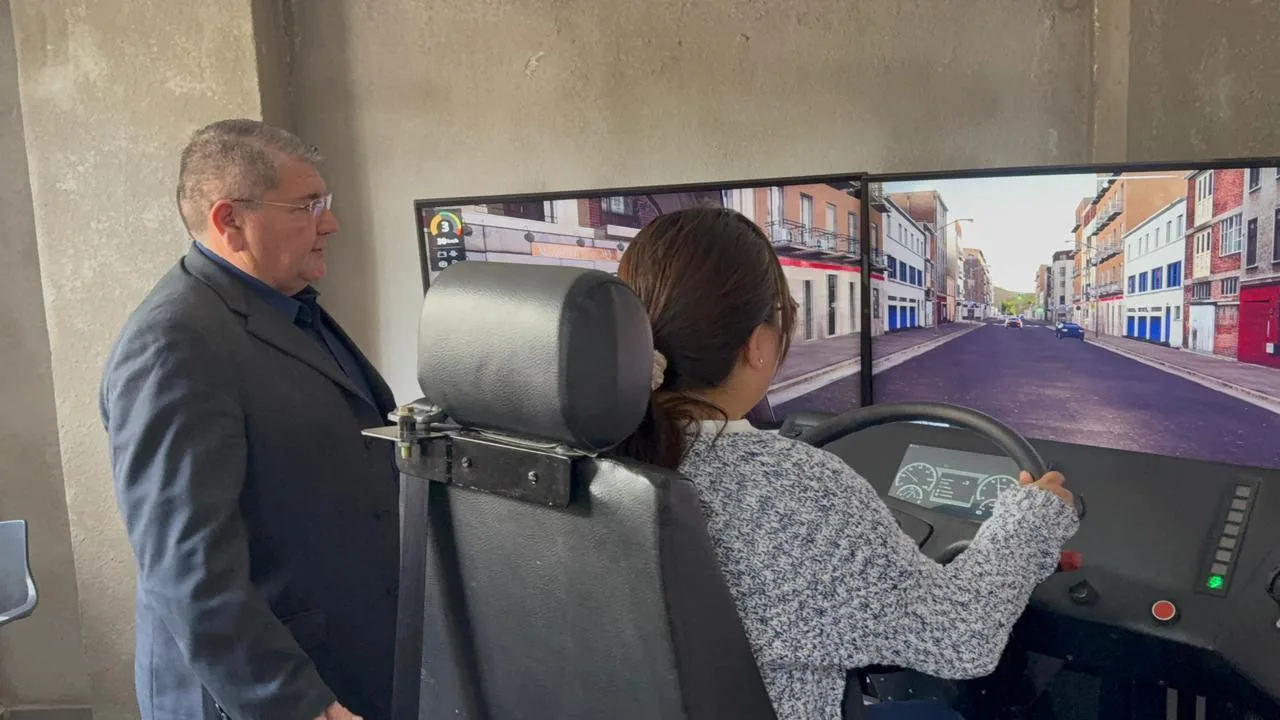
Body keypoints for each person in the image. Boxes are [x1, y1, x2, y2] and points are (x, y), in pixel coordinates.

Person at [612, 207, 1079, 719]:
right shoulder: (791, 491)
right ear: (756, 346)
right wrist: (1030, 521)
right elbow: (958, 634)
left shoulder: (572, 459)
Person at [100, 119, 400, 720]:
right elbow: (188, 566)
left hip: (341, 658)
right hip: (267, 692)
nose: (331, 223)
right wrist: (299, 705)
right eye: (308, 206)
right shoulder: (174, 344)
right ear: (228, 220)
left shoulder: (282, 308)